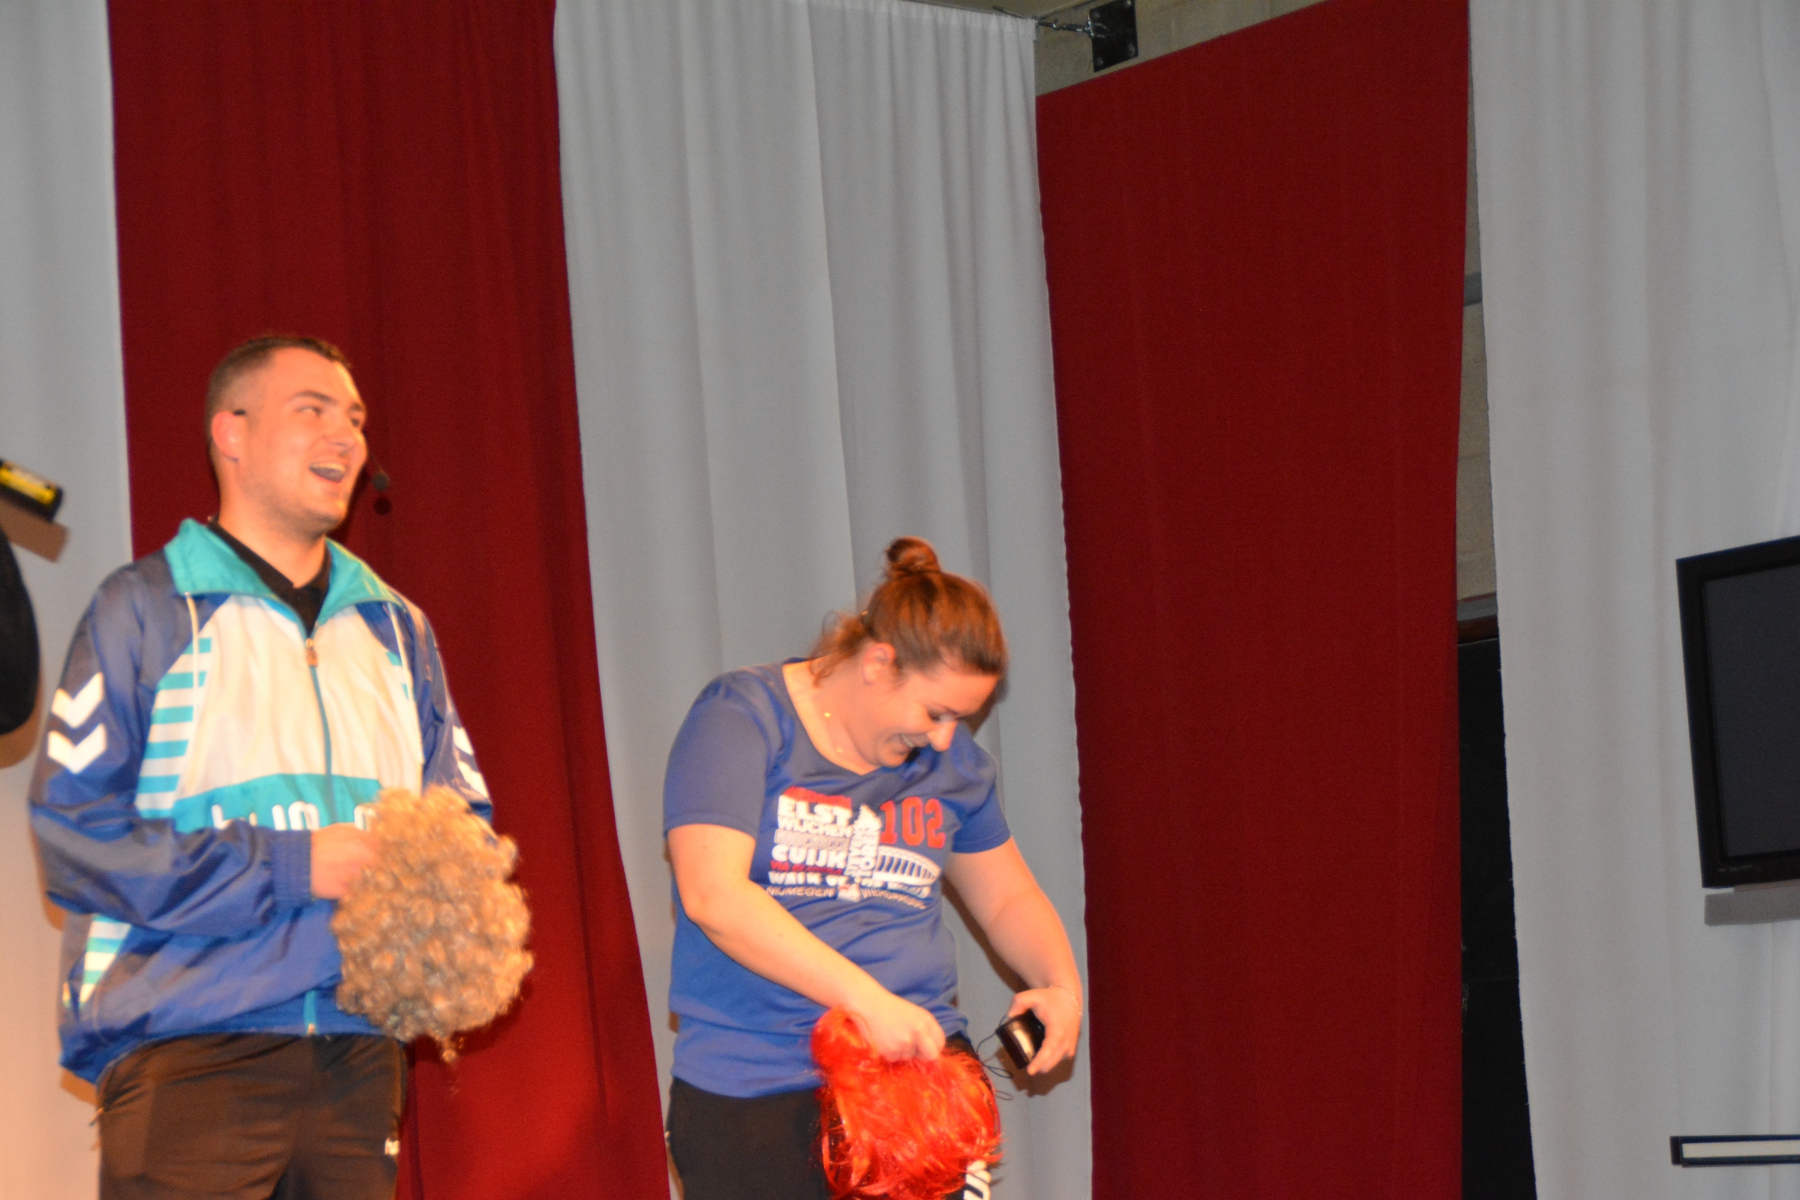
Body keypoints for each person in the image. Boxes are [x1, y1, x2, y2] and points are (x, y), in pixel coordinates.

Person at [30, 336, 490, 1199]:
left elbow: (464, 831)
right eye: (312, 411)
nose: (347, 437)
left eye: (355, 419)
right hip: (189, 1043)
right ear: (231, 434)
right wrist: (292, 866)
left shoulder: (399, 630)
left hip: (360, 1053)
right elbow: (76, 839)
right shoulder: (145, 609)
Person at [663, 537, 1083, 1200]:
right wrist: (866, 1001)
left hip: (917, 1093)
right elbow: (713, 895)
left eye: (961, 719)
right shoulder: (742, 718)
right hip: (758, 1090)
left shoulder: (952, 765)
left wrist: (1060, 986)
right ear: (878, 663)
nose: (944, 738)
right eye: (935, 712)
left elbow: (1007, 900)